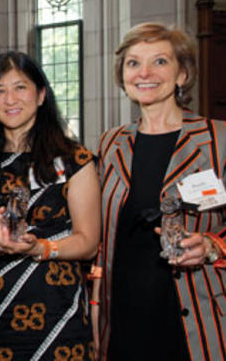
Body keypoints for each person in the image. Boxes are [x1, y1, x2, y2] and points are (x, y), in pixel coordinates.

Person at [93, 22, 226, 360]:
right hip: (123, 319)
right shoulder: (111, 143)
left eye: (160, 62)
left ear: (182, 74)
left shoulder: (218, 140)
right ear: (122, 75)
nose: (145, 73)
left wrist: (212, 245)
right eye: (133, 63)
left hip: (197, 315)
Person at [0, 50, 101, 360]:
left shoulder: (74, 160)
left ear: (40, 95)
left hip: (59, 312)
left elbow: (88, 242)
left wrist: (38, 248)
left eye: (20, 87)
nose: (10, 99)